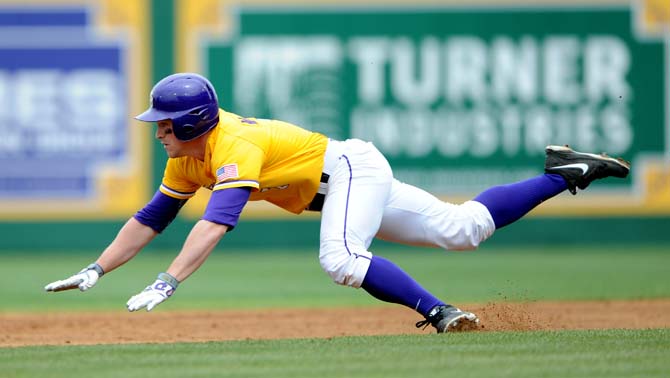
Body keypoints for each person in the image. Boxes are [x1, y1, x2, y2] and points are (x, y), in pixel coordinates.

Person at [44, 73, 630, 333]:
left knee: (342, 258)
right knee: (463, 228)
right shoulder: (185, 156)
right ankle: (567, 172)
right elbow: (154, 217)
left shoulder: (233, 145)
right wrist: (99, 267)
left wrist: (169, 282)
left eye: (165, 124)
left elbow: (217, 221)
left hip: (349, 170)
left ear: (193, 121)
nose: (157, 132)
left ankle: (442, 313)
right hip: (345, 179)